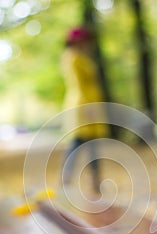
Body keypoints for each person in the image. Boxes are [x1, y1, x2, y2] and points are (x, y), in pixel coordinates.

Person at [60, 26, 109, 192]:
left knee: (92, 146)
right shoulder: (72, 58)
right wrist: (89, 106)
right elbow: (79, 85)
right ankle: (65, 182)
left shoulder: (81, 57)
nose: (87, 44)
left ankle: (96, 184)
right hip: (82, 106)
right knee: (77, 143)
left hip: (89, 104)